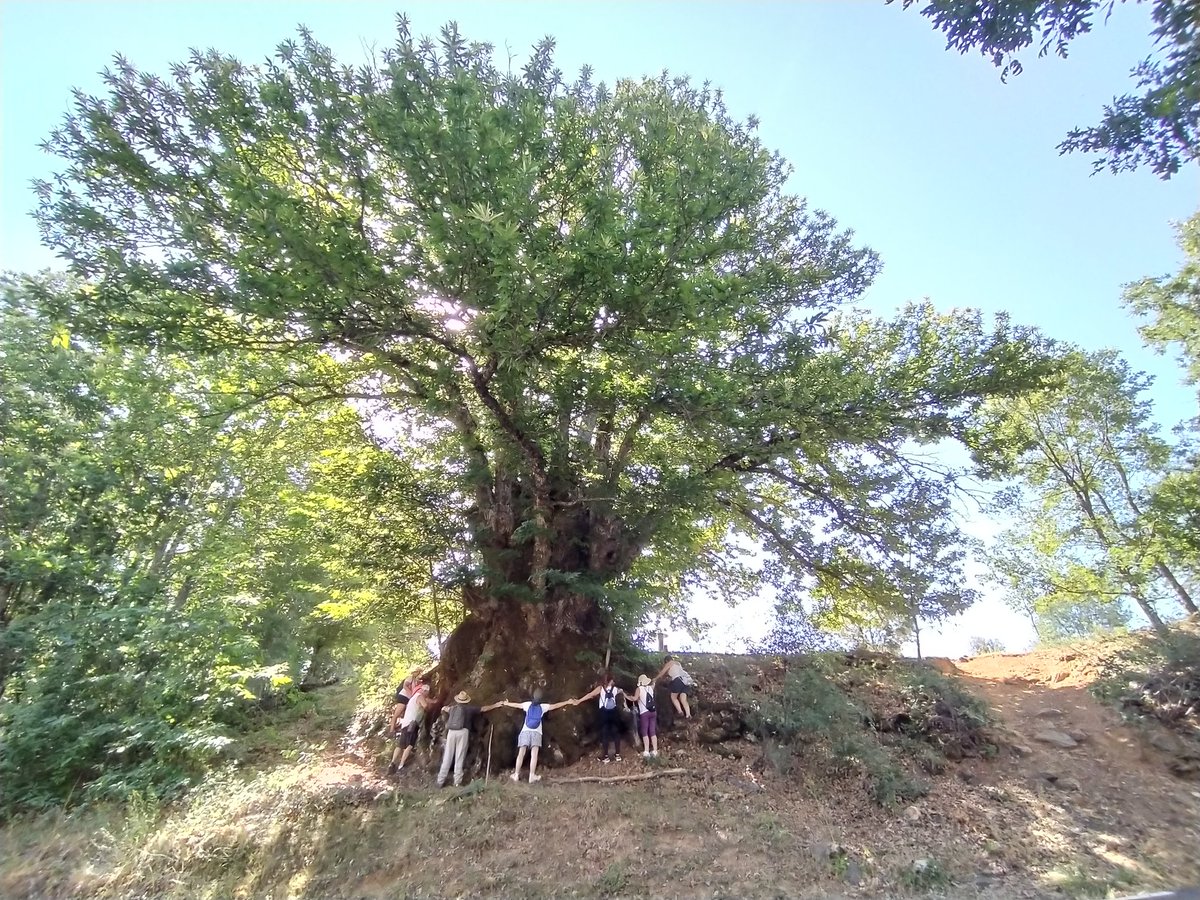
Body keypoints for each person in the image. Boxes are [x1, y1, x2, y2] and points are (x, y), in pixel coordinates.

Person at [494, 689, 577, 783]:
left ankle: (516, 775)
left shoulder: (527, 704)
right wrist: (567, 702)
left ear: (533, 697)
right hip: (536, 733)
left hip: (525, 731)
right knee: (534, 755)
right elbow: (555, 706)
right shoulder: (543, 707)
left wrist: (506, 703)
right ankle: (532, 776)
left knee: (521, 754)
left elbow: (517, 705)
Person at [435, 690, 503, 788]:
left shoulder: (453, 708)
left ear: (458, 700)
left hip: (451, 732)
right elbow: (483, 709)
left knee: (447, 756)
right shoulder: (469, 709)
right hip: (463, 732)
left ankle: (440, 781)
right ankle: (457, 782)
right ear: (466, 701)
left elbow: (445, 708)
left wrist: (444, 708)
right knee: (459, 756)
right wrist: (496, 705)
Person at [387, 673, 431, 776]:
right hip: (412, 723)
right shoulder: (420, 697)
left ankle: (392, 763)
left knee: (400, 745)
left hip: (405, 723)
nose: (427, 694)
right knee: (410, 745)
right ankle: (401, 766)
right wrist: (429, 708)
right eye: (427, 692)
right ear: (425, 691)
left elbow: (427, 701)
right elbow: (425, 706)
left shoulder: (413, 697)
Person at [576, 672, 625, 762]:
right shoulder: (615, 689)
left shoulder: (600, 688)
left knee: (604, 734)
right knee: (616, 732)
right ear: (611, 681)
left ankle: (605, 756)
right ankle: (618, 755)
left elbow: (590, 695)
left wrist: (579, 701)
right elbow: (622, 692)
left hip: (604, 713)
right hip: (614, 712)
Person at [626, 674, 659, 758]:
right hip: (653, 711)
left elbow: (634, 699)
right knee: (652, 731)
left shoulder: (639, 689)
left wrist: (626, 695)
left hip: (644, 712)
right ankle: (655, 750)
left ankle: (646, 751)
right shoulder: (650, 688)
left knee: (645, 731)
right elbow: (654, 683)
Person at [654, 654, 694, 719]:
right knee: (683, 699)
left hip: (678, 681)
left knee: (673, 697)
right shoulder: (678, 663)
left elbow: (662, 673)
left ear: (666, 661)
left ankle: (680, 711)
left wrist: (655, 679)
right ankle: (688, 715)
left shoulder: (670, 663)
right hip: (685, 681)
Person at [388, 666, 425, 735]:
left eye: (419, 672)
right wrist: (410, 694)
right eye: (417, 672)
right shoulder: (410, 678)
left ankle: (397, 726)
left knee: (403, 713)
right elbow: (405, 686)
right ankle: (391, 729)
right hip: (404, 696)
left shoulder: (415, 680)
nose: (418, 673)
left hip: (407, 698)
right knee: (397, 713)